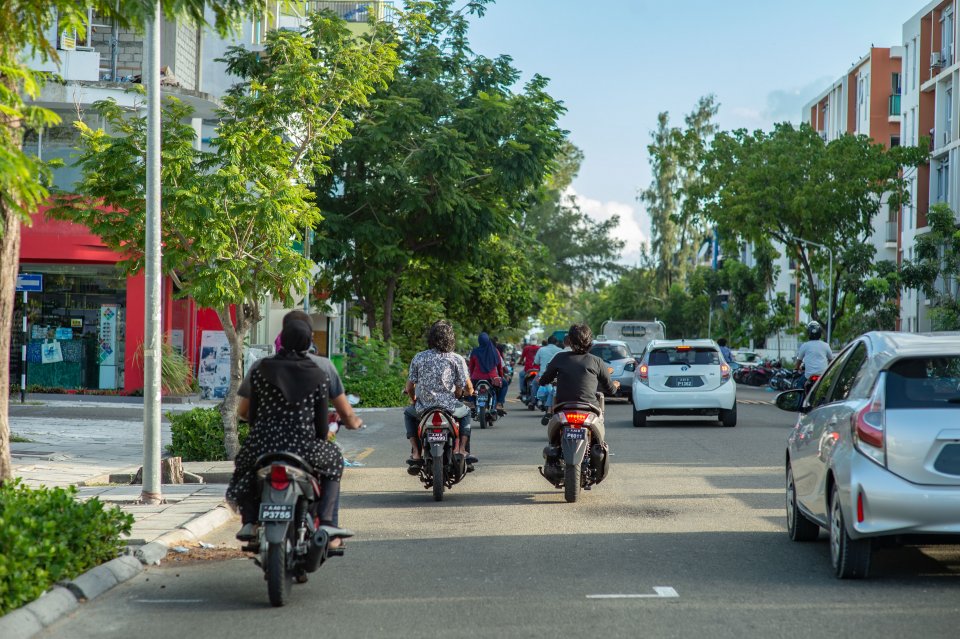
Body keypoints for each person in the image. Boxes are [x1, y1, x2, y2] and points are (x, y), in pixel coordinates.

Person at [228, 312, 362, 544]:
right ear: (309, 340)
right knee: (335, 461)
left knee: (244, 465)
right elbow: (321, 424)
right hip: (303, 446)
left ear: (281, 337)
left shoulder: (260, 368)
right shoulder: (319, 373)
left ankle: (249, 520)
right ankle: (328, 523)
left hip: (263, 443)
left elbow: (244, 412)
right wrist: (321, 435)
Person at [404, 320, 476, 472]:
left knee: (408, 414)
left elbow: (409, 387)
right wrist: (468, 392)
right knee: (466, 414)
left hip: (424, 407)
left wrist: (414, 400)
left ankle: (416, 454)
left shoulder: (419, 357)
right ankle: (462, 450)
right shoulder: (456, 358)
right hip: (449, 407)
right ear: (450, 338)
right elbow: (467, 387)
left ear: (431, 338)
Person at [538, 323, 618, 448]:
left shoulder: (559, 358)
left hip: (563, 408)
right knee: (600, 444)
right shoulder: (597, 361)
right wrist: (616, 385)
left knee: (552, 444)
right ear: (590, 341)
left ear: (569, 340)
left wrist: (548, 379)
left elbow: (543, 380)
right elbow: (611, 390)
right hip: (590, 409)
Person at [468, 332, 508, 414]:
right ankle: (499, 404)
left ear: (479, 341)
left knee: (468, 385)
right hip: (492, 379)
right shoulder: (495, 351)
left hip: (476, 378)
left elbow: (471, 367)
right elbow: (499, 366)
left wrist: (471, 377)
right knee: (505, 384)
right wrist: (501, 376)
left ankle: (471, 403)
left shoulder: (475, 351)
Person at [533, 335, 563, 410]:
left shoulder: (541, 349)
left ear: (548, 342)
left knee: (534, 383)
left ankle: (534, 401)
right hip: (557, 376)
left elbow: (536, 362)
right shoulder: (560, 350)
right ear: (556, 342)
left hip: (543, 374)